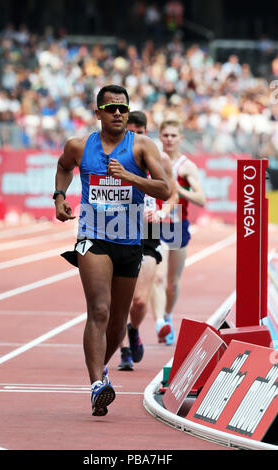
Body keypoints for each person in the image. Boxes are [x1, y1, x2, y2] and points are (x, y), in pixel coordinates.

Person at [53, 85, 170, 416]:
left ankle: (101, 369)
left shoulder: (143, 146)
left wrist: (132, 177)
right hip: (93, 236)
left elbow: (164, 188)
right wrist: (59, 197)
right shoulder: (79, 146)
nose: (118, 113)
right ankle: (96, 386)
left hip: (130, 239)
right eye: (111, 107)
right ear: (98, 113)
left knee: (119, 322)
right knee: (100, 310)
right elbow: (63, 166)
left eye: (123, 108)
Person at [118, 110, 177, 371]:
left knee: (140, 300)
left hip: (149, 230)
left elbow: (173, 193)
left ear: (146, 132)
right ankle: (124, 351)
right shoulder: (113, 156)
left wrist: (163, 211)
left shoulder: (159, 157)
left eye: (139, 134)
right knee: (117, 298)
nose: (135, 139)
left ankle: (133, 329)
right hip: (117, 227)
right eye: (130, 134)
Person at [150, 119, 206, 345]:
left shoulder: (186, 166)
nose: (169, 140)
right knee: (158, 277)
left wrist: (178, 189)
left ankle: (168, 316)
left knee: (172, 282)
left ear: (181, 138)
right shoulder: (152, 161)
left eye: (174, 135)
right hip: (155, 224)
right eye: (165, 135)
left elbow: (201, 199)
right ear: (160, 137)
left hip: (177, 226)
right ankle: (160, 323)